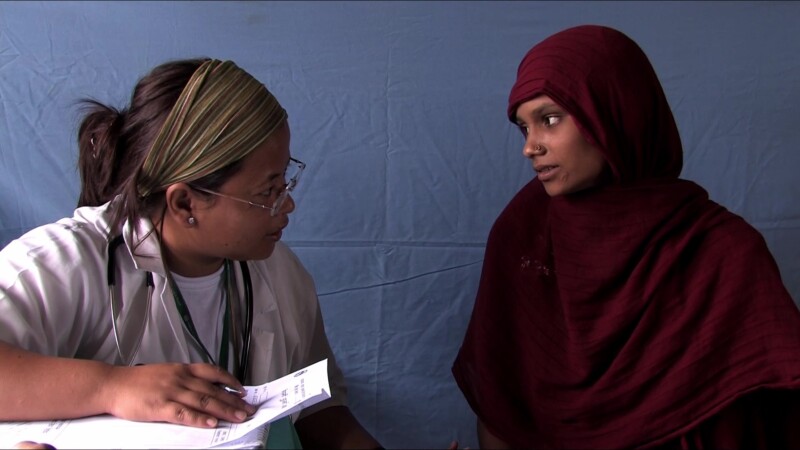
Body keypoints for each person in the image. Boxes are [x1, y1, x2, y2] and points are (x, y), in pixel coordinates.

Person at [0, 57, 382, 449]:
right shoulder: (67, 262)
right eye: (268, 192)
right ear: (184, 204)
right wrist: (112, 387)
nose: (286, 205)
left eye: (285, 180)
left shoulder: (279, 274)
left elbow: (321, 413)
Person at [452, 25, 800, 449]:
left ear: (615, 112)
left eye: (549, 119)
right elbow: (501, 401)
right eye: (524, 128)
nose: (531, 147)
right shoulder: (523, 232)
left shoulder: (721, 251)